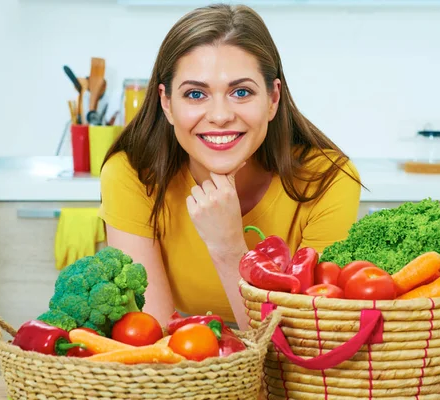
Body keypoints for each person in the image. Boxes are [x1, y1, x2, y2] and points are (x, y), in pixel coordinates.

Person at [98, 3, 362, 330]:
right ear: (166, 103)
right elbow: (159, 342)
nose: (220, 115)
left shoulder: (328, 181)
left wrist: (230, 248)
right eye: (195, 94)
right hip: (189, 374)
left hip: (290, 377)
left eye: (241, 92)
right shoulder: (132, 175)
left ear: (272, 98)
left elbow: (304, 349)